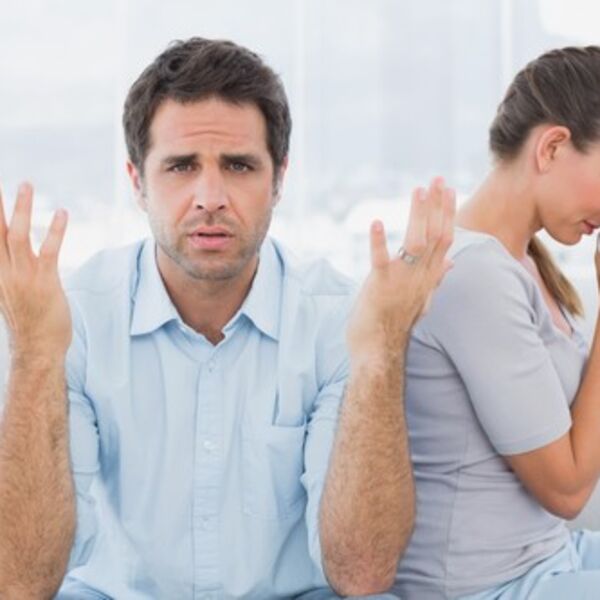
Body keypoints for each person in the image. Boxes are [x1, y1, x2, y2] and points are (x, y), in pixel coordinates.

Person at [0, 38, 455, 599]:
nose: (210, 197)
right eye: (181, 166)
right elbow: (20, 581)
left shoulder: (339, 318)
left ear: (279, 179)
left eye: (239, 166)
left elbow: (362, 573)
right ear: (137, 182)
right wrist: (33, 356)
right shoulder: (75, 318)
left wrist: (382, 350)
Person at [395, 45, 600, 600]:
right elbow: (566, 491)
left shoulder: (525, 261)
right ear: (552, 147)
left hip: (551, 555)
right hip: (493, 585)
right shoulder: (474, 274)